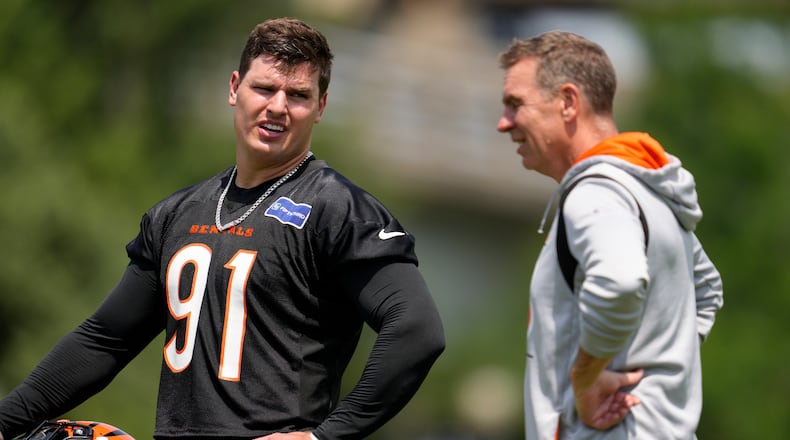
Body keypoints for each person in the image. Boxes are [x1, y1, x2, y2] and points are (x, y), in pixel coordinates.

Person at [0, 17, 445, 440]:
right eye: (264, 88)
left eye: (298, 95)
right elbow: (106, 340)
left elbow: (415, 329)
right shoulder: (176, 213)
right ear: (235, 88)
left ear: (320, 107)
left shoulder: (337, 208)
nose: (278, 107)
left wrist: (326, 435)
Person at [496, 31, 723, 439]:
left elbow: (620, 282)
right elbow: (705, 290)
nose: (503, 123)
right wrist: (654, 374)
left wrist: (586, 377)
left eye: (515, 104)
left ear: (568, 102)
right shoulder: (646, 190)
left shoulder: (596, 192)